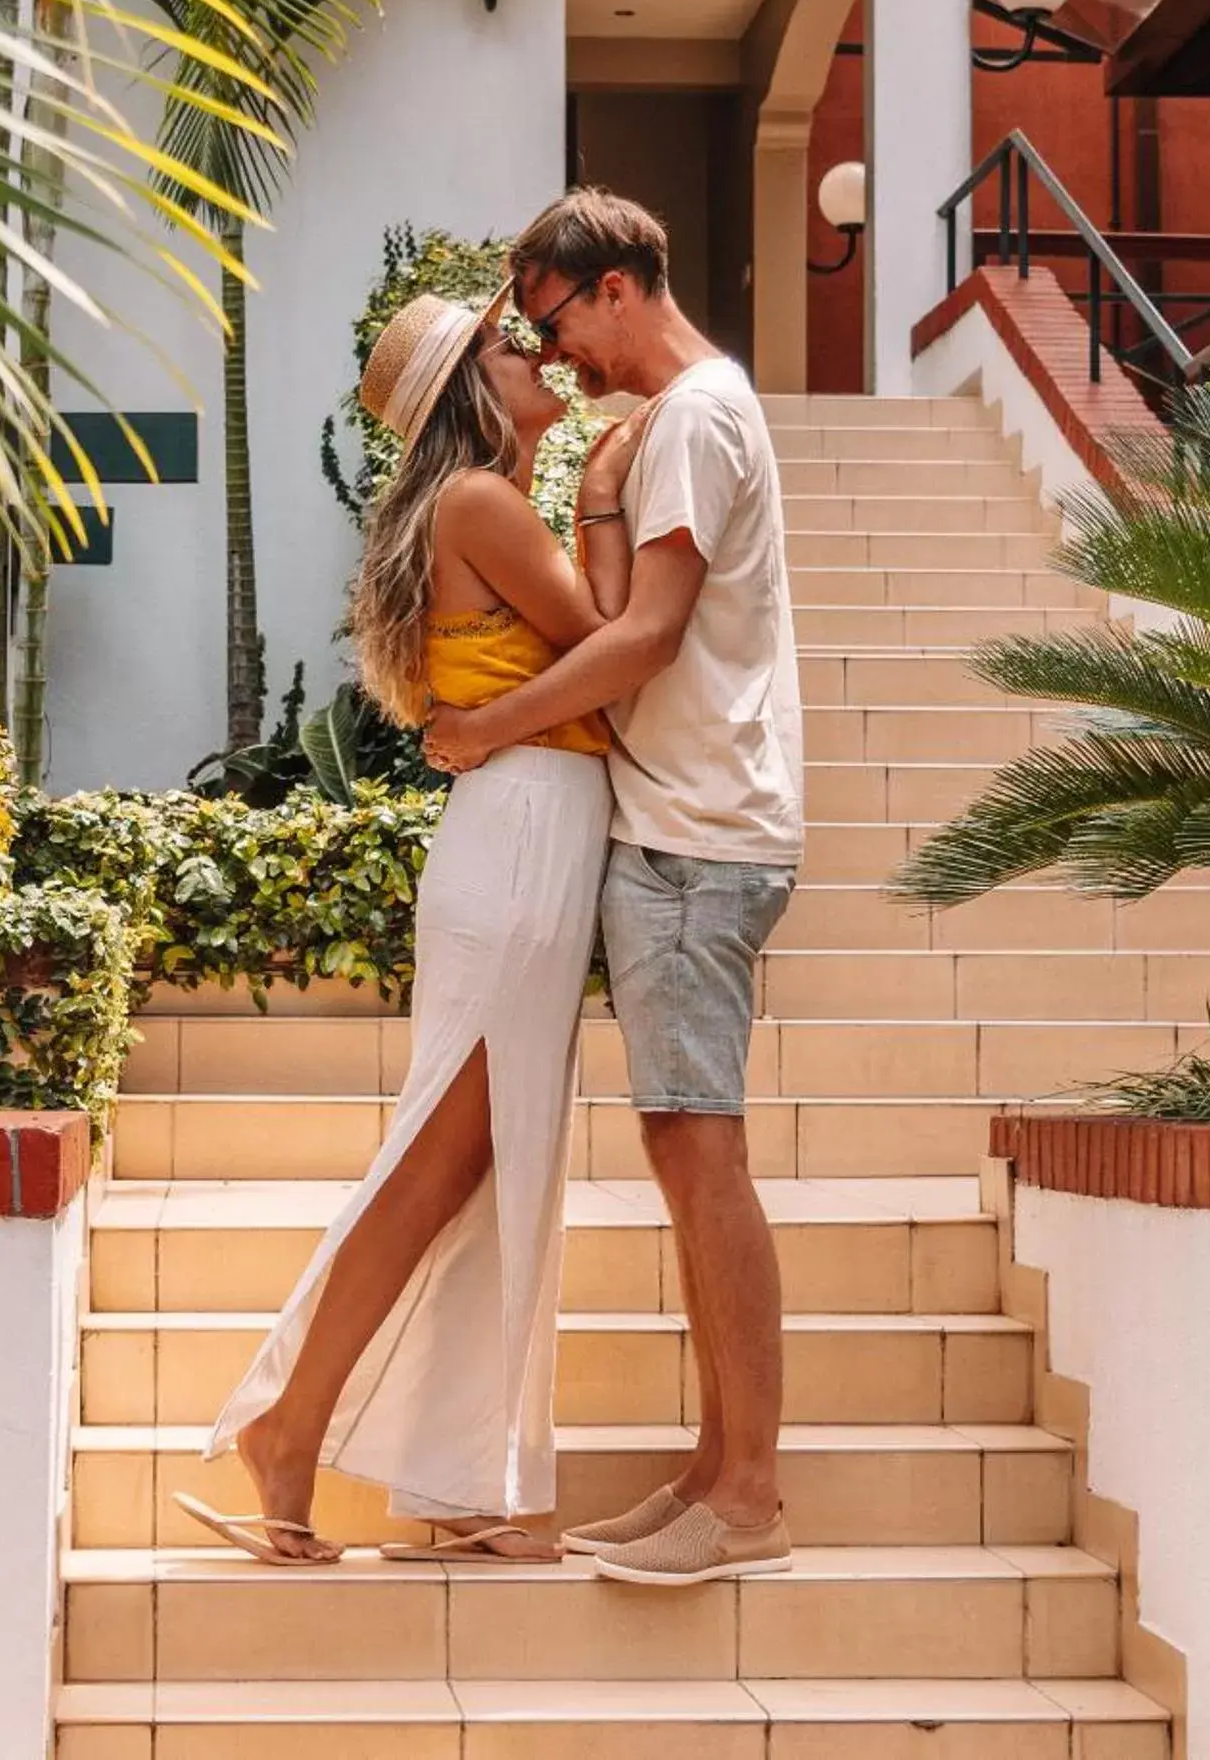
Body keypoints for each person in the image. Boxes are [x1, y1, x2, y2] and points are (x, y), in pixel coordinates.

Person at [179, 288, 626, 1566]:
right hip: (524, 830)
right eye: (505, 343)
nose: (533, 350)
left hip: (524, 829)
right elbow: (614, 639)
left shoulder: (480, 503)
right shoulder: (482, 504)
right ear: (468, 393)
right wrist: (600, 492)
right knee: (445, 1160)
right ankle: (289, 1420)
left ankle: (447, 1479)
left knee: (485, 1162)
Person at [424, 188, 803, 1589]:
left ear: (620, 285)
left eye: (556, 318)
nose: (554, 351)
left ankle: (748, 1494)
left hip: (701, 836)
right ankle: (713, 1472)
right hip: (681, 826)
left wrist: (486, 729)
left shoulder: (697, 417)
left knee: (699, 1150)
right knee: (676, 1144)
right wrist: (592, 484)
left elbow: (641, 638)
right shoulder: (670, 424)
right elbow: (616, 610)